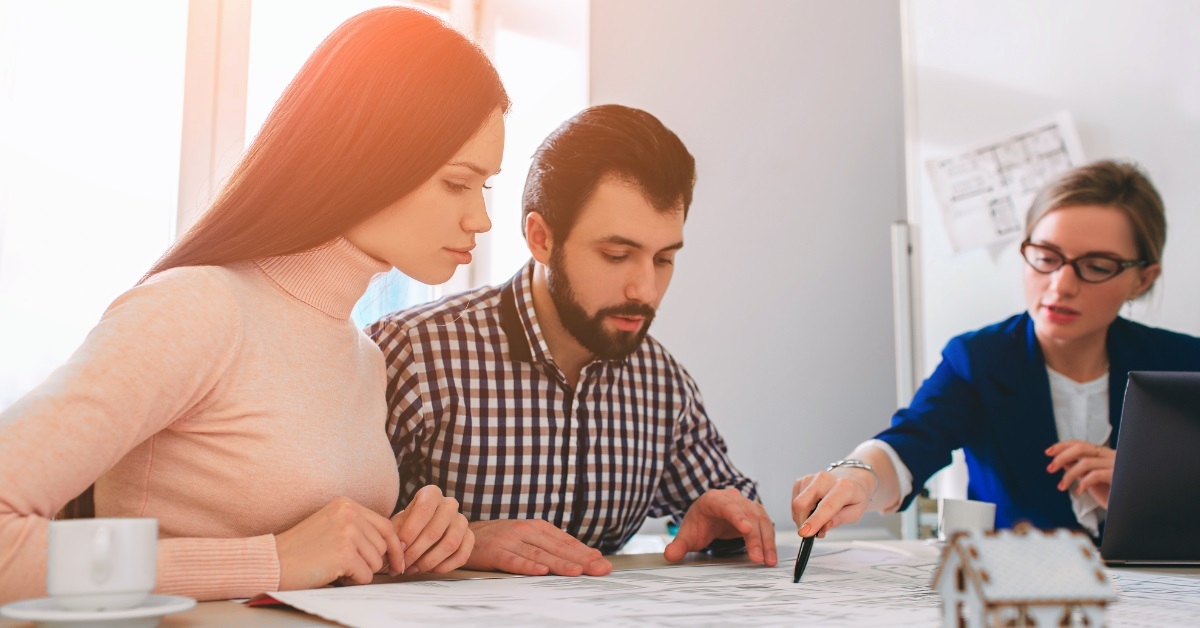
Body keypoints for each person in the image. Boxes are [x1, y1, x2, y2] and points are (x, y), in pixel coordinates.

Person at [0, 6, 508, 604]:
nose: (480, 218)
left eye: (486, 186)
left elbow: (313, 561)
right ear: (368, 154)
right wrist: (269, 560)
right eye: (457, 182)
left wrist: (403, 547)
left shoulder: (362, 357)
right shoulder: (195, 309)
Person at [367, 104, 776, 578]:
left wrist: (727, 519)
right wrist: (466, 541)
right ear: (541, 238)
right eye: (616, 254)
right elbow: (323, 534)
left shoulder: (661, 383)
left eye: (663, 259)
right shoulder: (414, 355)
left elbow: (734, 507)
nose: (644, 290)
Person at [791, 159, 1200, 541]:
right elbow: (909, 443)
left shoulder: (1184, 367)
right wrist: (858, 477)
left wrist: (1152, 488)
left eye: (1096, 267)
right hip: (1022, 598)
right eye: (1045, 257)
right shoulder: (980, 359)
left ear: (1143, 279)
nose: (1060, 286)